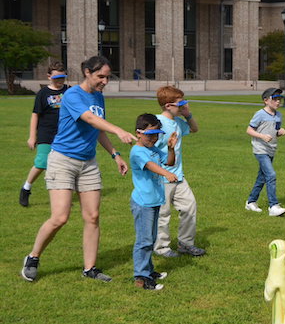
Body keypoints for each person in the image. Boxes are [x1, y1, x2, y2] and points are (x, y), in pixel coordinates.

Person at [21, 56, 137, 282]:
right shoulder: (72, 95)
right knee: (60, 217)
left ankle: (90, 268)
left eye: (107, 77)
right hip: (63, 160)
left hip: (88, 163)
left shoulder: (98, 97)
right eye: (100, 76)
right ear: (86, 72)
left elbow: (97, 129)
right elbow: (90, 119)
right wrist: (119, 130)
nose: (104, 81)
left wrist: (115, 155)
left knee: (92, 216)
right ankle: (33, 257)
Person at [153, 86, 205, 258]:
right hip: (162, 177)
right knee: (163, 213)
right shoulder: (157, 123)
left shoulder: (178, 122)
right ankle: (162, 248)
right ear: (168, 105)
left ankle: (186, 243)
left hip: (179, 176)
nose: (183, 106)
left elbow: (195, 129)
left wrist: (187, 114)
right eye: (179, 103)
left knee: (190, 206)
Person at [130, 114, 178, 290]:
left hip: (154, 200)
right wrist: (166, 174)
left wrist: (171, 148)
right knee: (144, 240)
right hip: (143, 203)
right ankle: (141, 277)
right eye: (150, 134)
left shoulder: (153, 148)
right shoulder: (138, 151)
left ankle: (148, 270)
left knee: (150, 238)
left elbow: (169, 162)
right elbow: (151, 166)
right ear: (138, 133)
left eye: (157, 134)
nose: (154, 138)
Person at [20, 62, 70, 207]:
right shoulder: (43, 94)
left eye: (62, 77)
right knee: (42, 162)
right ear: (49, 77)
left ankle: (61, 195)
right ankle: (26, 188)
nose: (60, 81)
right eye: (56, 78)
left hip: (64, 134)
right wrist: (32, 136)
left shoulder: (69, 91)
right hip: (46, 133)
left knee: (63, 164)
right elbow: (35, 115)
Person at [244, 87, 285, 216]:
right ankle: (273, 206)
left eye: (279, 99)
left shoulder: (279, 115)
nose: (278, 102)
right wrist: (262, 136)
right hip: (260, 149)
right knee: (271, 175)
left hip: (271, 150)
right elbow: (249, 130)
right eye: (275, 99)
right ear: (266, 101)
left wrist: (279, 133)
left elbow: (275, 132)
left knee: (262, 178)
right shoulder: (260, 114)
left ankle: (251, 201)